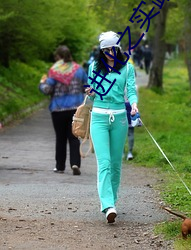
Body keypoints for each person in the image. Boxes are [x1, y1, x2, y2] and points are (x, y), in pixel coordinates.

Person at [85, 31, 138, 223]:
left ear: (118, 48)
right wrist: (90, 92)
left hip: (120, 118)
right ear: (101, 50)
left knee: (116, 164)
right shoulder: (94, 67)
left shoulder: (127, 68)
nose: (109, 52)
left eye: (112, 49)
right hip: (98, 117)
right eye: (105, 49)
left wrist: (133, 104)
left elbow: (131, 90)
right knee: (104, 163)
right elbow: (91, 95)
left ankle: (112, 201)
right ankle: (107, 205)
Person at [39, 45, 88, 175]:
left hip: (58, 109)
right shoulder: (79, 70)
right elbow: (86, 87)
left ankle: (60, 166)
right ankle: (75, 163)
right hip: (75, 109)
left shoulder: (54, 71)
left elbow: (47, 90)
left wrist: (42, 83)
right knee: (74, 137)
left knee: (60, 138)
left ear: (58, 57)